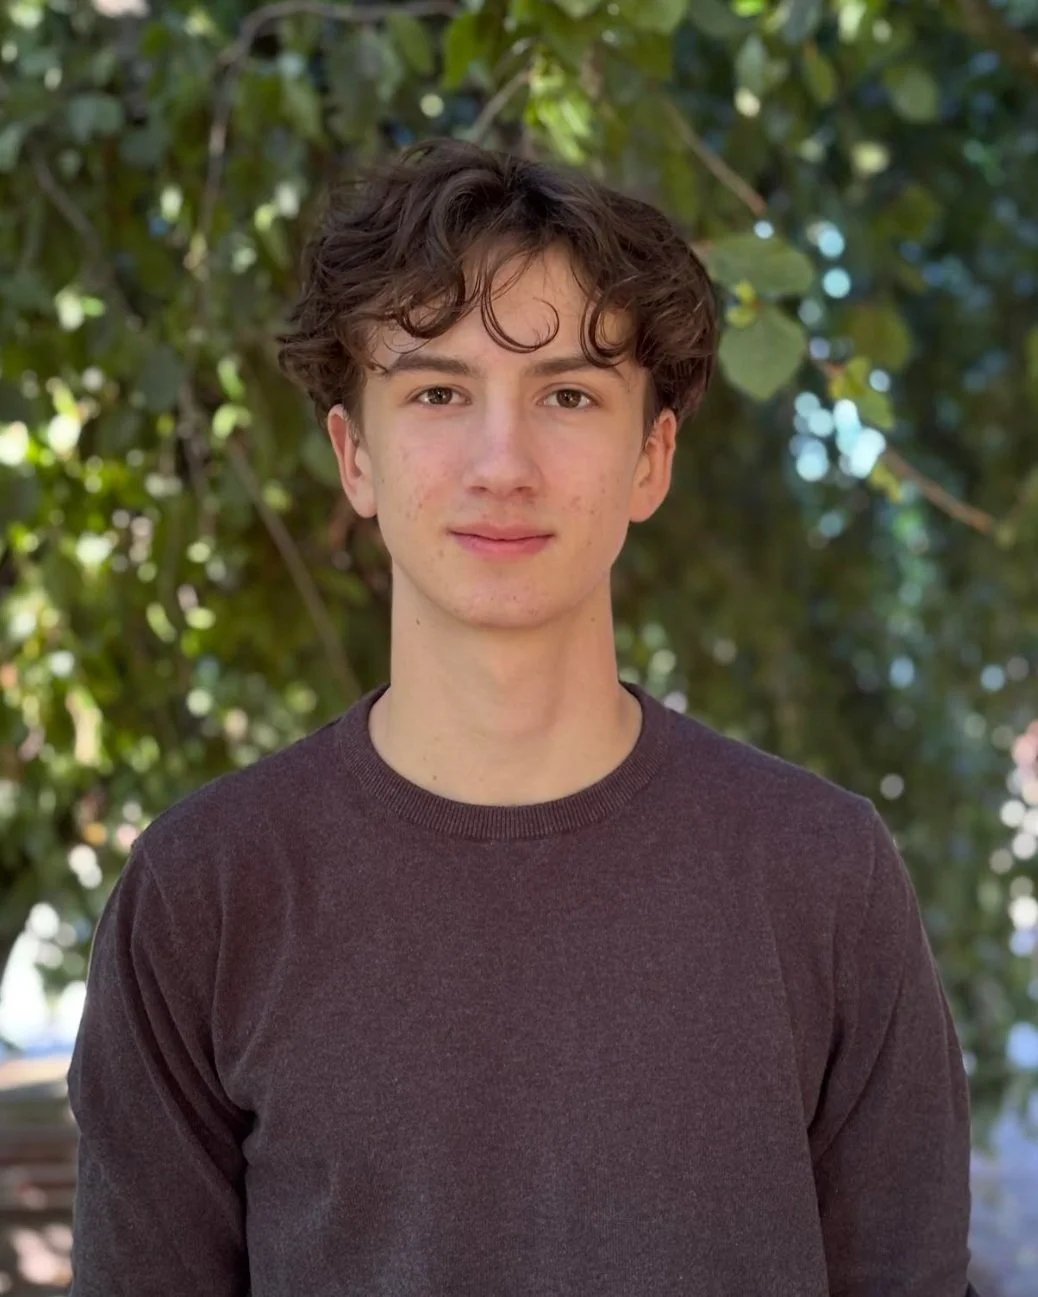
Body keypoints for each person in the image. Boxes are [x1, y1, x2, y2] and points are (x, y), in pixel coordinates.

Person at [66, 137, 980, 1295]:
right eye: (438, 392)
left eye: (568, 394)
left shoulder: (825, 875)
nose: (503, 463)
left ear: (652, 459)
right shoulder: (205, 894)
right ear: (355, 454)